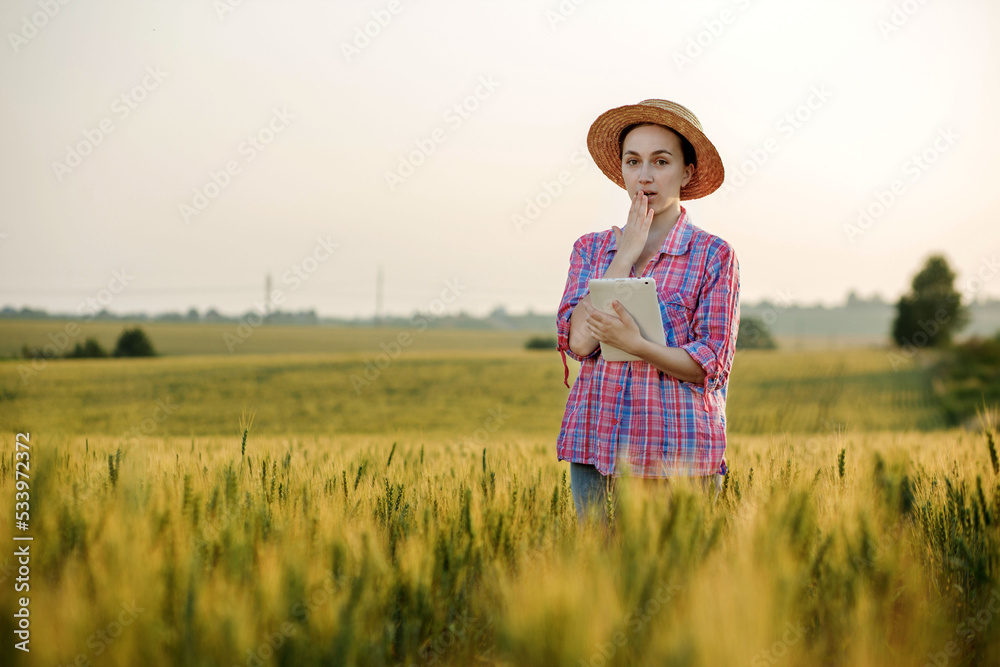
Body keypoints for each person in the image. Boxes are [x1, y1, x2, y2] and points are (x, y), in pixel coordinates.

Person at [554, 99, 740, 524]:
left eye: (661, 161)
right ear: (621, 169)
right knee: (600, 581)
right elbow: (579, 342)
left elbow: (709, 366)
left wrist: (636, 345)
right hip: (598, 448)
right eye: (634, 161)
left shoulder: (714, 256)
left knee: (675, 583)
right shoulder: (591, 248)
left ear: (687, 171)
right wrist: (624, 257)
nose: (646, 175)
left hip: (679, 455)